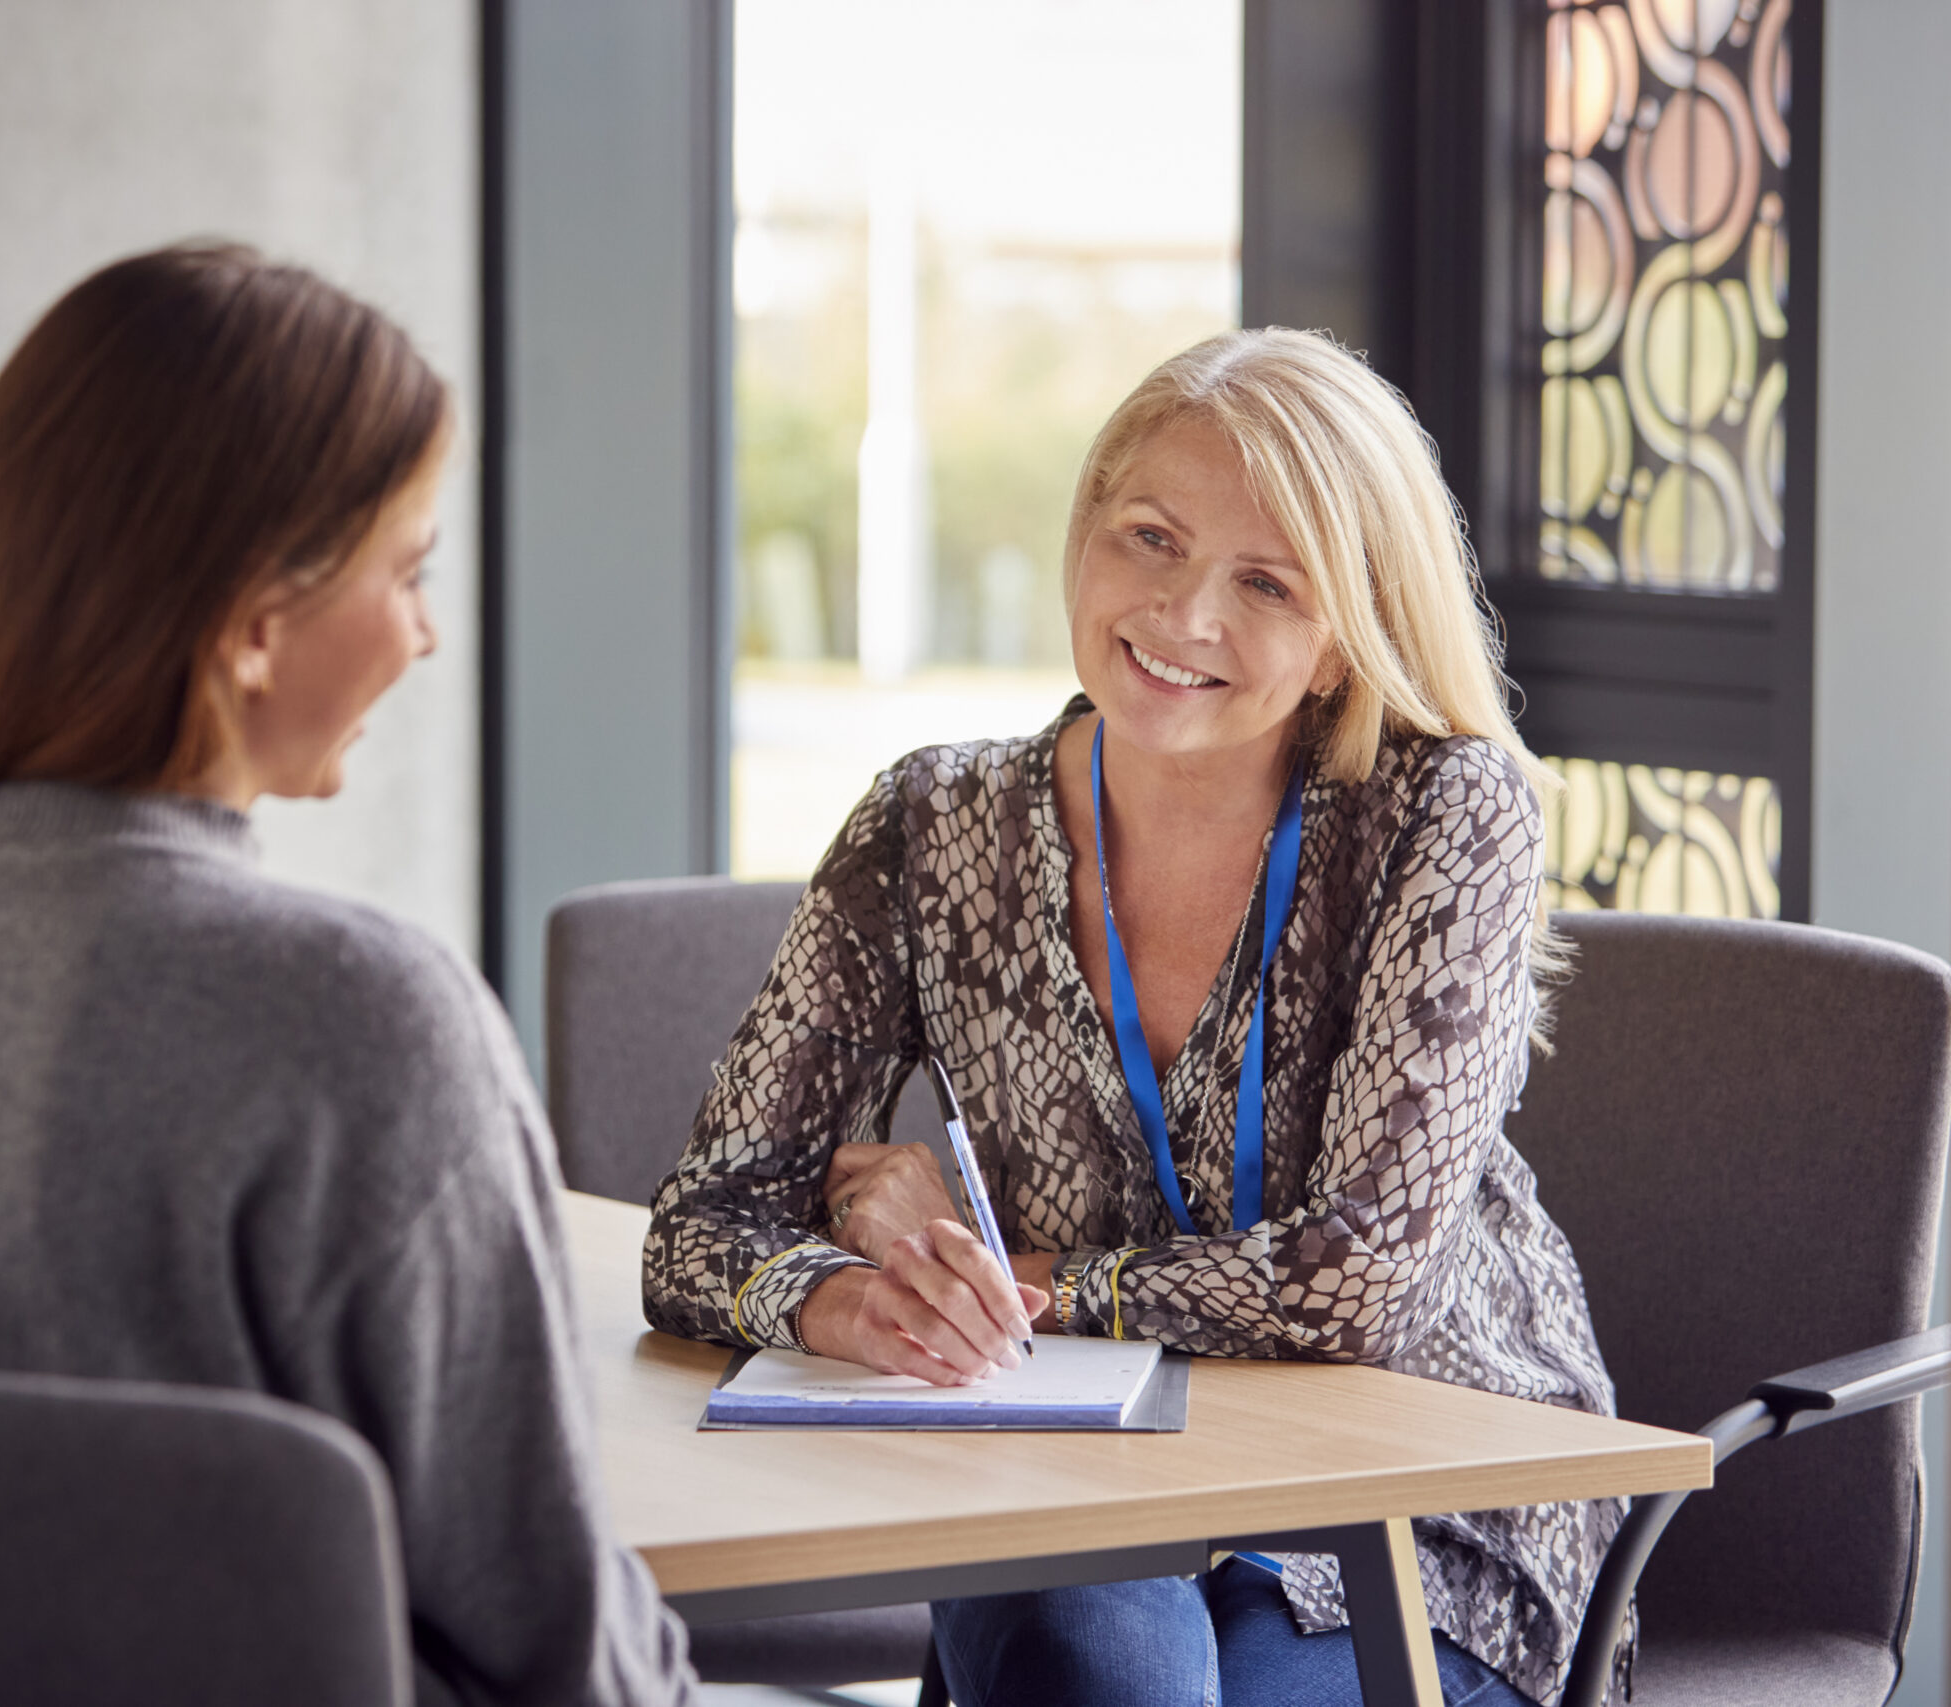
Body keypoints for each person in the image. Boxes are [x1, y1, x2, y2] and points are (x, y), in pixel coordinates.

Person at [0, 243, 695, 1707]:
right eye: (408, 570)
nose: (424, 631)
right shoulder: (360, 1030)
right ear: (258, 622)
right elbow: (563, 1657)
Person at [643, 328, 1622, 1707]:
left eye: (1266, 582)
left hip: (1399, 1502)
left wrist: (1018, 1273)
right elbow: (701, 1221)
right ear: (1083, 532)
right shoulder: (933, 822)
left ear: (1343, 642)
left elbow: (1349, 1284)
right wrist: (857, 1297)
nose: (1184, 617)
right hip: (1070, 1460)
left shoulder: (1443, 815)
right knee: (1084, 1660)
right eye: (1150, 538)